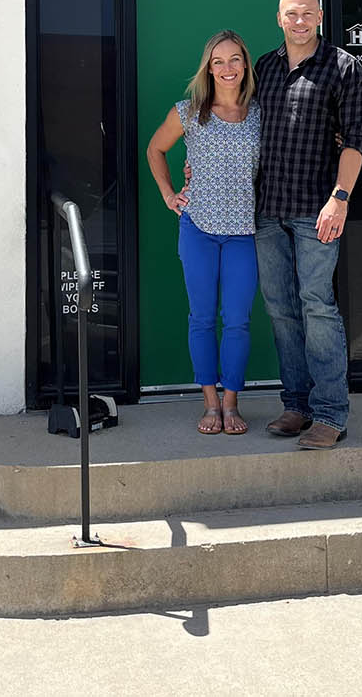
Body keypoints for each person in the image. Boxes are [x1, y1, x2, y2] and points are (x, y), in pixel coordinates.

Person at [254, 0, 362, 449]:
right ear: (279, 18)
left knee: (317, 306)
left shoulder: (343, 66)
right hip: (267, 210)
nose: (299, 21)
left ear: (319, 16)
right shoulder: (264, 67)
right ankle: (297, 406)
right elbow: (244, 128)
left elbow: (356, 138)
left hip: (316, 210)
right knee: (281, 310)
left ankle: (330, 413)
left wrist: (340, 198)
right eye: (291, 14)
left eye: (307, 13)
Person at [146, 30, 261, 436]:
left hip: (245, 232)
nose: (227, 68)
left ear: (245, 64)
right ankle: (210, 403)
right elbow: (155, 149)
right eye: (218, 61)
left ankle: (231, 403)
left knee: (238, 320)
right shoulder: (189, 112)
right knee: (202, 318)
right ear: (208, 69)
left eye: (234, 59)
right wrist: (168, 194)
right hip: (198, 228)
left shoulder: (261, 113)